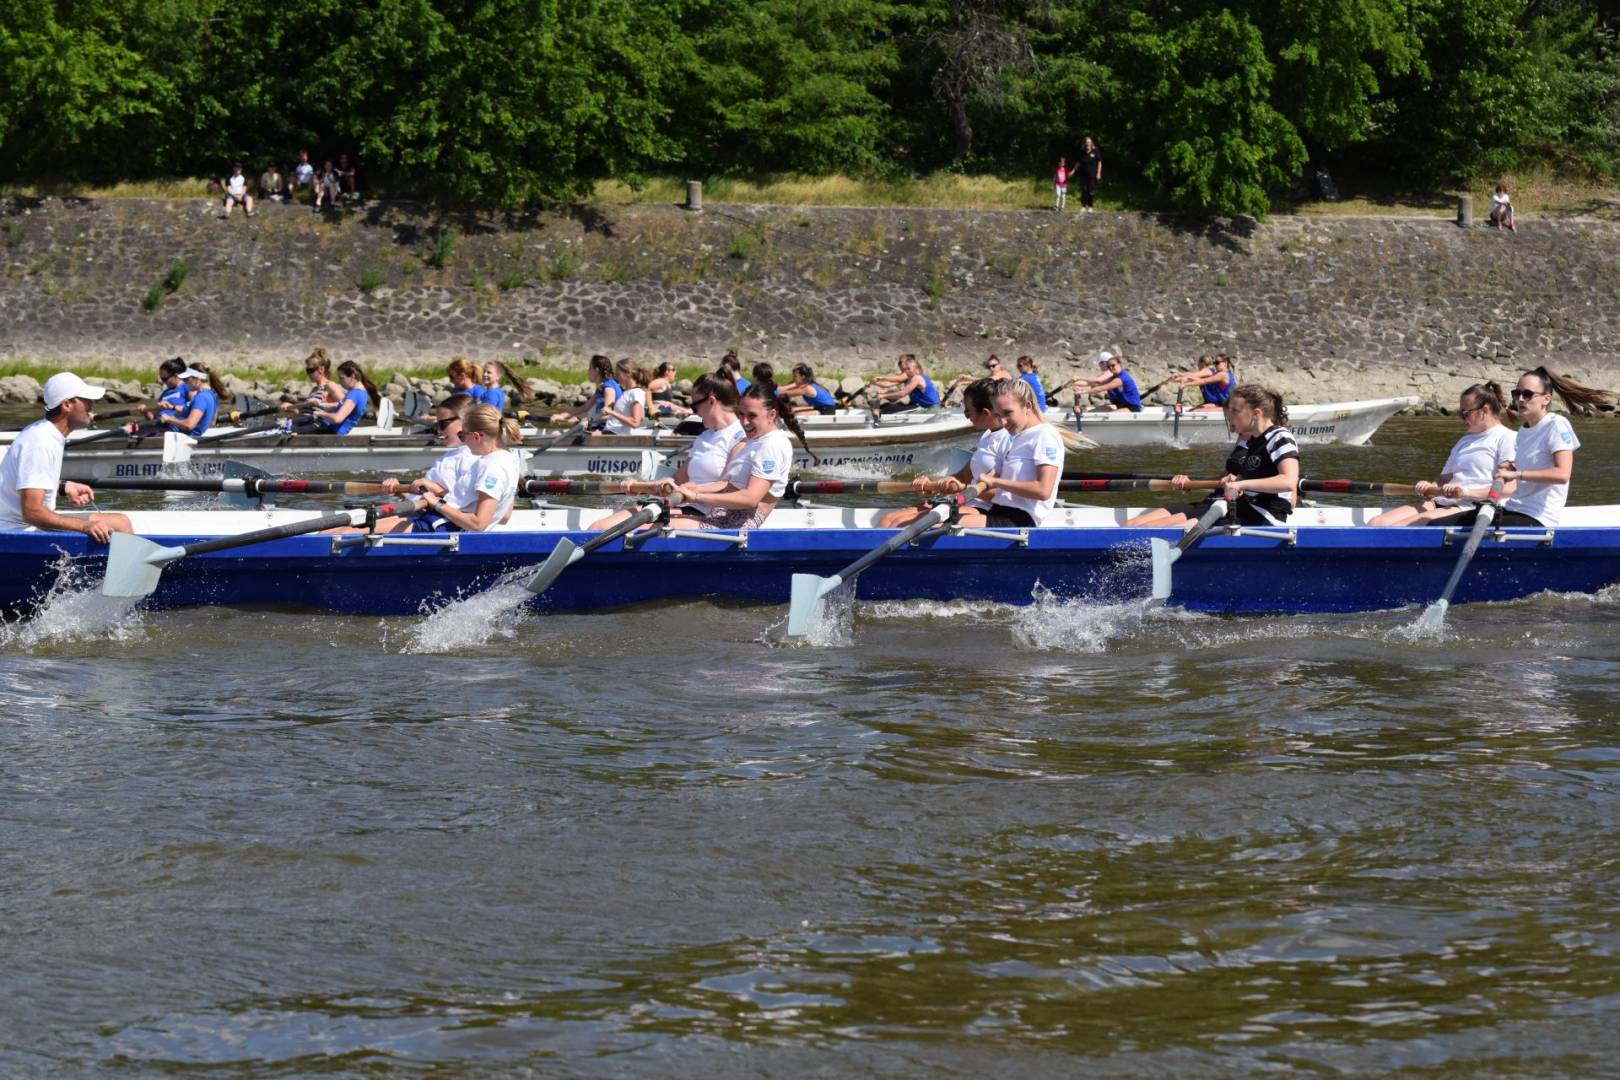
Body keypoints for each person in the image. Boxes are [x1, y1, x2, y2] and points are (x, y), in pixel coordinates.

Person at [1125, 385, 1299, 528]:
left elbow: (1288, 482)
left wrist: (1239, 483)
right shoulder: (1255, 441)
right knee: (1135, 526)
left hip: (1264, 518)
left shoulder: (1280, 437)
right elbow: (1245, 479)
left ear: (1256, 413)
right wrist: (1192, 482)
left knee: (1165, 529)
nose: (1229, 416)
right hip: (1242, 509)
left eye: (1235, 411)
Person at [593, 374, 746, 532]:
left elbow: (729, 486)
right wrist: (642, 485)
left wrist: (691, 492)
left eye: (695, 406)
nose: (694, 412)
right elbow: (679, 479)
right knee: (598, 527)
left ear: (712, 401)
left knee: (606, 530)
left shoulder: (740, 436)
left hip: (711, 515)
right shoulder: (704, 437)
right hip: (683, 505)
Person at [0, 373, 132, 542]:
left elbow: (26, 481)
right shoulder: (40, 442)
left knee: (121, 522)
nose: (92, 405)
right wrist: (83, 526)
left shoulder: (46, 433)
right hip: (16, 533)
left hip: (26, 524)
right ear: (67, 405)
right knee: (120, 526)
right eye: (86, 400)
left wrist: (63, 486)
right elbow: (31, 513)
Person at [1369, 382, 1518, 526]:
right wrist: (1429, 487)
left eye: (1465, 413)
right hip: (1444, 501)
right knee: (1376, 523)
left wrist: (1466, 492)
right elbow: (1443, 479)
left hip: (1472, 507)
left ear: (1484, 411)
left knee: (1399, 527)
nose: (1460, 418)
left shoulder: (1507, 438)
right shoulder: (1464, 441)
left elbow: (1509, 488)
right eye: (1460, 412)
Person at [673, 384, 812, 530]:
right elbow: (730, 485)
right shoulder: (755, 440)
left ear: (772, 415)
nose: (744, 422)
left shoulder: (773, 444)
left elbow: (750, 498)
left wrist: (696, 497)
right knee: (657, 520)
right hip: (718, 516)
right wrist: (695, 489)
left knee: (652, 527)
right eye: (741, 414)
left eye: (752, 415)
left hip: (736, 527)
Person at [366, 405, 521, 534]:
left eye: (462, 436)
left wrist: (436, 503)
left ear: (476, 436)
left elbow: (478, 524)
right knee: (357, 527)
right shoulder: (507, 459)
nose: (463, 442)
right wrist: (439, 492)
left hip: (443, 528)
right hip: (439, 521)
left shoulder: (492, 467)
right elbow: (495, 512)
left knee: (346, 533)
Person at [1488, 367, 1608, 528]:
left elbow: (1562, 474)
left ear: (1546, 399)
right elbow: (1534, 465)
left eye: (1527, 394)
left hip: (1539, 517)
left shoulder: (1556, 425)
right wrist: (1511, 466)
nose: (1520, 399)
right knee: (1462, 518)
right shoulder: (1524, 430)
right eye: (1517, 394)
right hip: (1515, 508)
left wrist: (1516, 474)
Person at [879, 378, 1008, 528]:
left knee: (900, 524)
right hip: (962, 499)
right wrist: (933, 484)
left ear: (985, 413)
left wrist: (961, 488)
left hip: (984, 508)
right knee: (888, 520)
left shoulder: (1008, 440)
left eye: (968, 413)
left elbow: (1004, 496)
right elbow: (962, 476)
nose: (967, 417)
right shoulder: (987, 435)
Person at [975, 377, 1063, 527]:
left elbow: (1043, 491)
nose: (1003, 422)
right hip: (999, 510)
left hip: (1021, 519)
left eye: (1007, 413)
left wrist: (996, 482)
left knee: (945, 528)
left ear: (1027, 406)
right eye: (997, 415)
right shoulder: (1017, 437)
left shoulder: (1045, 435)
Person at [381, 393, 475, 497]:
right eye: (437, 425)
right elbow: (420, 497)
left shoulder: (474, 460)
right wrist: (398, 489)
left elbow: (462, 504)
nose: (438, 430)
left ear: (466, 421)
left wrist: (433, 488)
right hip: (426, 510)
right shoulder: (447, 457)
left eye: (442, 424)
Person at [549, 355, 620, 429]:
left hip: (611, 430)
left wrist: (585, 421)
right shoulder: (601, 388)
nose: (588, 371)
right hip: (600, 427)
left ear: (597, 370)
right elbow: (585, 407)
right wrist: (561, 416)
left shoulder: (608, 388)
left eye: (590, 368)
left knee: (556, 433)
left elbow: (607, 414)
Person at [310, 360, 379, 435]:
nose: (339, 382)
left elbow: (337, 418)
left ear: (352, 376)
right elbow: (341, 409)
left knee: (296, 429)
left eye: (341, 378)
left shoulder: (355, 394)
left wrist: (321, 414)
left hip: (331, 434)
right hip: (330, 431)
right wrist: (322, 406)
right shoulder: (360, 393)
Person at [158, 364, 225, 436]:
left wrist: (169, 419)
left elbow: (189, 424)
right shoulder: (211, 394)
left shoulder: (201, 398)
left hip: (188, 438)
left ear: (197, 378)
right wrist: (172, 407)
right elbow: (212, 423)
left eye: (186, 379)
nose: (185, 382)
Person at [1072, 351, 1142, 412]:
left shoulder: (1120, 379)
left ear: (1119, 364)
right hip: (1120, 406)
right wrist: (1080, 388)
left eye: (1113, 365)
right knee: (1093, 412)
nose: (1111, 368)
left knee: (1109, 416)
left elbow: (1101, 388)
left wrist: (1082, 392)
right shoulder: (1113, 377)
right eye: (1109, 367)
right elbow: (1096, 385)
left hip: (1131, 408)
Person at [872, 355, 942, 414]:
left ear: (916, 369)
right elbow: (888, 384)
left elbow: (902, 393)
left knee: (893, 410)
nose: (906, 371)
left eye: (909, 369)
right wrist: (874, 383)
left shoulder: (917, 378)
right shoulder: (910, 377)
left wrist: (883, 395)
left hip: (932, 409)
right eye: (906, 369)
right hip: (920, 406)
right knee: (889, 407)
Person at [283, 347, 344, 414]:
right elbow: (305, 412)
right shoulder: (314, 390)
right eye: (307, 370)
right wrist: (290, 408)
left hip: (317, 422)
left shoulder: (330, 385)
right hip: (304, 420)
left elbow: (344, 404)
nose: (308, 374)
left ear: (321, 370)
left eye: (310, 370)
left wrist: (320, 404)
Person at [134, 357, 192, 425]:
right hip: (158, 425)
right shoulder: (165, 393)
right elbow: (152, 419)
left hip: (173, 426)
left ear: (176, 376)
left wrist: (171, 407)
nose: (163, 382)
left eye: (165, 379)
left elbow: (192, 410)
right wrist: (145, 411)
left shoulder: (187, 388)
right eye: (161, 379)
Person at [601, 359, 648, 434]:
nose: (616, 377)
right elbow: (641, 417)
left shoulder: (636, 393)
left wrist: (612, 412)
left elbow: (635, 422)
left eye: (618, 374)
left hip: (615, 436)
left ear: (628, 373)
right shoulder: (628, 392)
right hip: (611, 433)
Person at [1078, 136, 1102, 211]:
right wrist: (1073, 171)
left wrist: (1098, 173)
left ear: (1091, 143)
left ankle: (1090, 206)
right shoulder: (1082, 152)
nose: (1088, 143)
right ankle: (1083, 206)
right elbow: (1078, 162)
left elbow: (1099, 162)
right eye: (1086, 142)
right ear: (1085, 143)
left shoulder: (1095, 151)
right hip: (1083, 175)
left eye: (1089, 142)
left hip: (1092, 175)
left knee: (1091, 190)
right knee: (1084, 190)